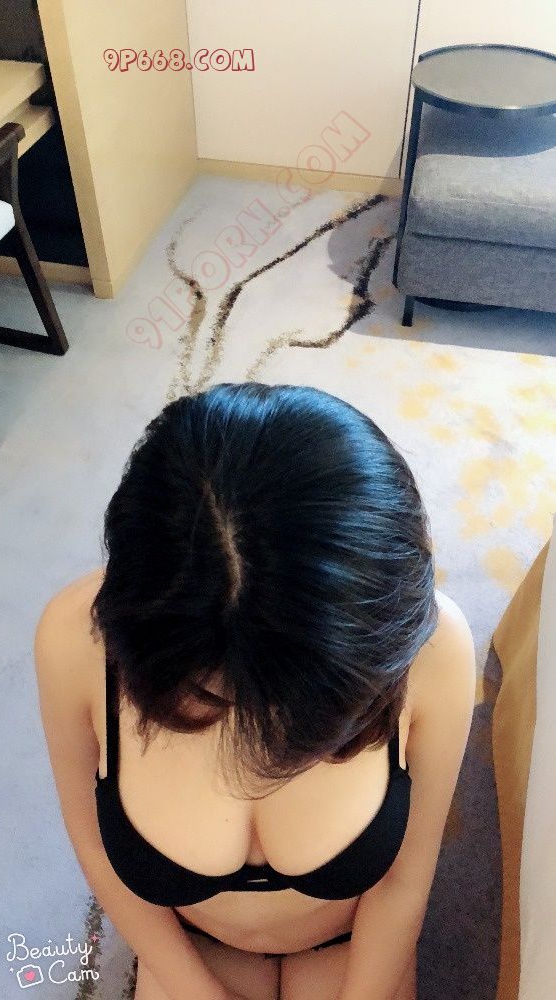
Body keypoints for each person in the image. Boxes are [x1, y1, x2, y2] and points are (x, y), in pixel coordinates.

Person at [34, 383, 476, 1000]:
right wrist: (195, 989)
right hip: (193, 949)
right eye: (206, 689)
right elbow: (96, 849)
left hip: (351, 947)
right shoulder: (73, 638)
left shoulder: (433, 646)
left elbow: (405, 878)